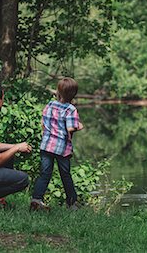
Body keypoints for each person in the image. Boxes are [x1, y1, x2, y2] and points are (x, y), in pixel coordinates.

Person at [30, 77, 84, 211]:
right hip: (62, 149)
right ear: (73, 95)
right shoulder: (71, 109)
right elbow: (70, 128)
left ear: (58, 92)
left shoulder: (50, 105)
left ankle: (36, 198)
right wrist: (79, 126)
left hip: (46, 145)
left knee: (45, 173)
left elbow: (43, 123)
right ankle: (72, 203)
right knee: (65, 175)